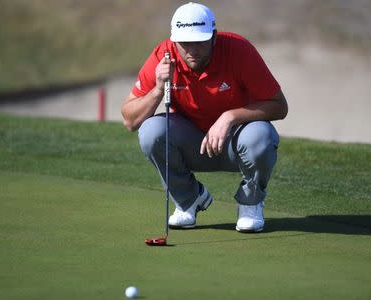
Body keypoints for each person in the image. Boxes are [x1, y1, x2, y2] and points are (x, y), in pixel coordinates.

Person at [121, 2, 288, 233]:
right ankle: (189, 200)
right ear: (174, 40)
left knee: (261, 135)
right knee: (151, 131)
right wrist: (158, 89)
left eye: (199, 41)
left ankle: (250, 203)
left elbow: (279, 106)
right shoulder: (164, 55)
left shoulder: (238, 50)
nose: (192, 50)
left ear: (214, 36)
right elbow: (129, 120)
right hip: (192, 143)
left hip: (235, 142)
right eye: (184, 43)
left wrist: (229, 117)